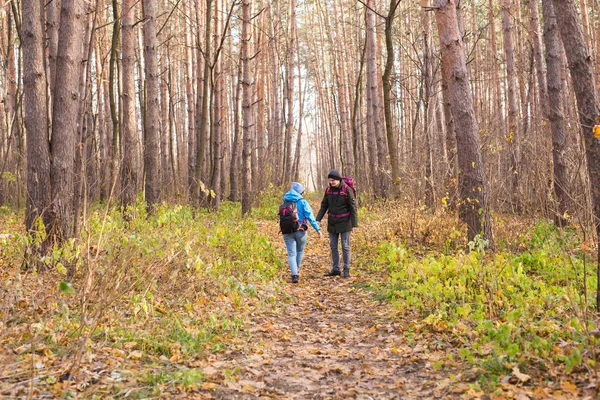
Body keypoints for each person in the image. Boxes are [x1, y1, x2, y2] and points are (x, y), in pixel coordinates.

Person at [316, 169, 358, 278]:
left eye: (333, 180)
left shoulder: (347, 190)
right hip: (332, 223)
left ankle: (346, 270)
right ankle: (336, 269)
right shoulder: (328, 190)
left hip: (345, 223)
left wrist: (355, 224)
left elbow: (353, 208)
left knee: (345, 247)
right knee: (333, 246)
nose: (332, 182)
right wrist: (318, 219)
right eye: (330, 180)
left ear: (339, 179)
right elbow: (324, 205)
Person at [281, 182, 322, 283]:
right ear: (301, 192)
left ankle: (294, 274)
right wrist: (318, 230)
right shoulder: (303, 202)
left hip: (287, 230)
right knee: (299, 251)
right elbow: (310, 217)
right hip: (301, 230)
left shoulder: (285, 201)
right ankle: (296, 270)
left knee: (291, 253)